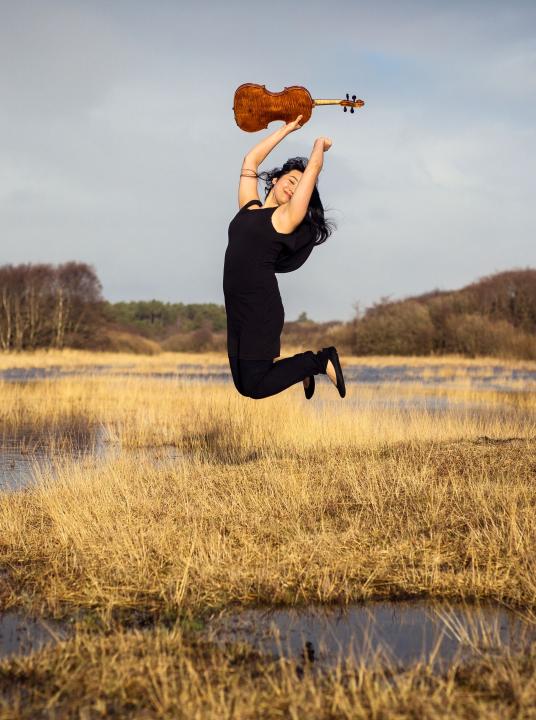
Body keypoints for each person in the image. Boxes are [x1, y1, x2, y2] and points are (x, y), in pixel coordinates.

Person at [223, 114, 346, 400]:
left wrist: (318, 147)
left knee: (255, 386)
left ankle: (319, 360)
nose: (293, 187)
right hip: (237, 308)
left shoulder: (285, 219)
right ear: (275, 179)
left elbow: (312, 171)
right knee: (244, 385)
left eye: (299, 187)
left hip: (260, 308)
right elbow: (249, 162)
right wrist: (287, 129)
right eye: (290, 180)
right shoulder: (249, 209)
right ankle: (301, 368)